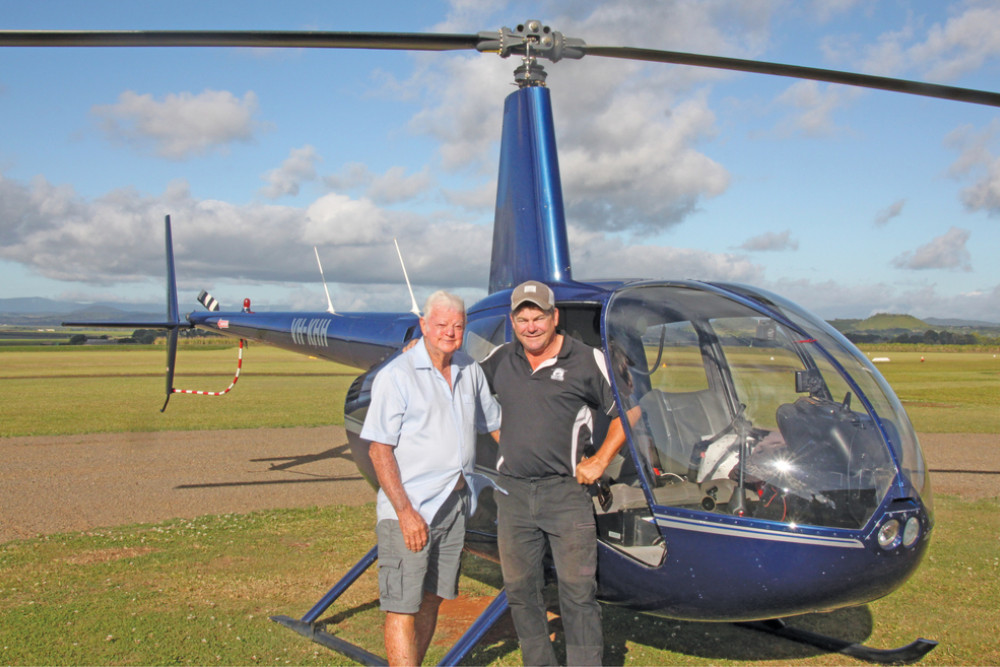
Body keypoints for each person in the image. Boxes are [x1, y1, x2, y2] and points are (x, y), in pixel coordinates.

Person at [479, 280, 627, 666]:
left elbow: (628, 414)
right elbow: (465, 388)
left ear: (554, 317)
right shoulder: (500, 359)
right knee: (520, 591)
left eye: (539, 317)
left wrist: (599, 462)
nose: (531, 327)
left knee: (577, 594)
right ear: (513, 321)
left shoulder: (584, 358)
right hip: (511, 495)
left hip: (565, 496)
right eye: (523, 319)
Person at [361, 290, 501, 666]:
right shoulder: (398, 375)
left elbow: (496, 424)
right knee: (402, 605)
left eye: (458, 326)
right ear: (423, 326)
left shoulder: (469, 369)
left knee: (432, 597)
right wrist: (405, 512)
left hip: (453, 504)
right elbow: (379, 450)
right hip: (411, 508)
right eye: (441, 325)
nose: (450, 333)